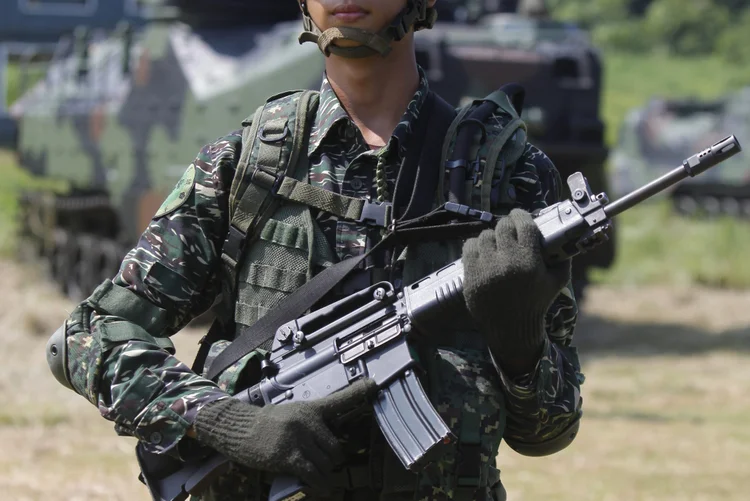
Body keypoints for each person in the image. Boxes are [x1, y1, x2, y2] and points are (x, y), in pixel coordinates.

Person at [46, 1, 584, 500]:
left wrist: (521, 342)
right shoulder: (250, 164)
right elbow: (87, 336)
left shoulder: (508, 177)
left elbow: (549, 432)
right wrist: (225, 421)